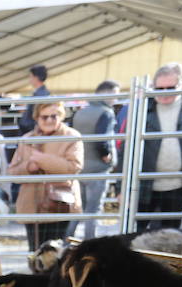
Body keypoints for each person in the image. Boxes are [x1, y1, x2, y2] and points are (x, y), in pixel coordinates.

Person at [7, 100, 82, 250]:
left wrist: (42, 160)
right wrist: (29, 166)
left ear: (61, 116)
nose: (49, 120)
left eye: (53, 116)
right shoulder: (27, 139)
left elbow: (74, 166)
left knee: (57, 255)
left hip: (60, 206)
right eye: (44, 117)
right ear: (37, 118)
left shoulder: (71, 136)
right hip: (32, 206)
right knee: (35, 253)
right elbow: (13, 171)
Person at [137, 63, 182, 231]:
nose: (164, 93)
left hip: (179, 185)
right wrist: (120, 186)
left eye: (170, 87)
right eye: (159, 88)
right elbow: (127, 148)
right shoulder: (142, 109)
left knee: (172, 236)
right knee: (136, 234)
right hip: (143, 184)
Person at [71, 80, 119, 239]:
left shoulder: (80, 111)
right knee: (93, 209)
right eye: (115, 95)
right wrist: (107, 155)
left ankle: (66, 239)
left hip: (80, 167)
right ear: (107, 93)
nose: (116, 100)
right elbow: (102, 138)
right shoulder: (106, 113)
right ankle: (90, 242)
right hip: (98, 168)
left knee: (79, 208)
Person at [18, 64, 53, 134]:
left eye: (31, 76)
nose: (30, 79)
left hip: (32, 129)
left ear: (36, 77)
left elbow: (38, 114)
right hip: (31, 128)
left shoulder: (41, 94)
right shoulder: (41, 93)